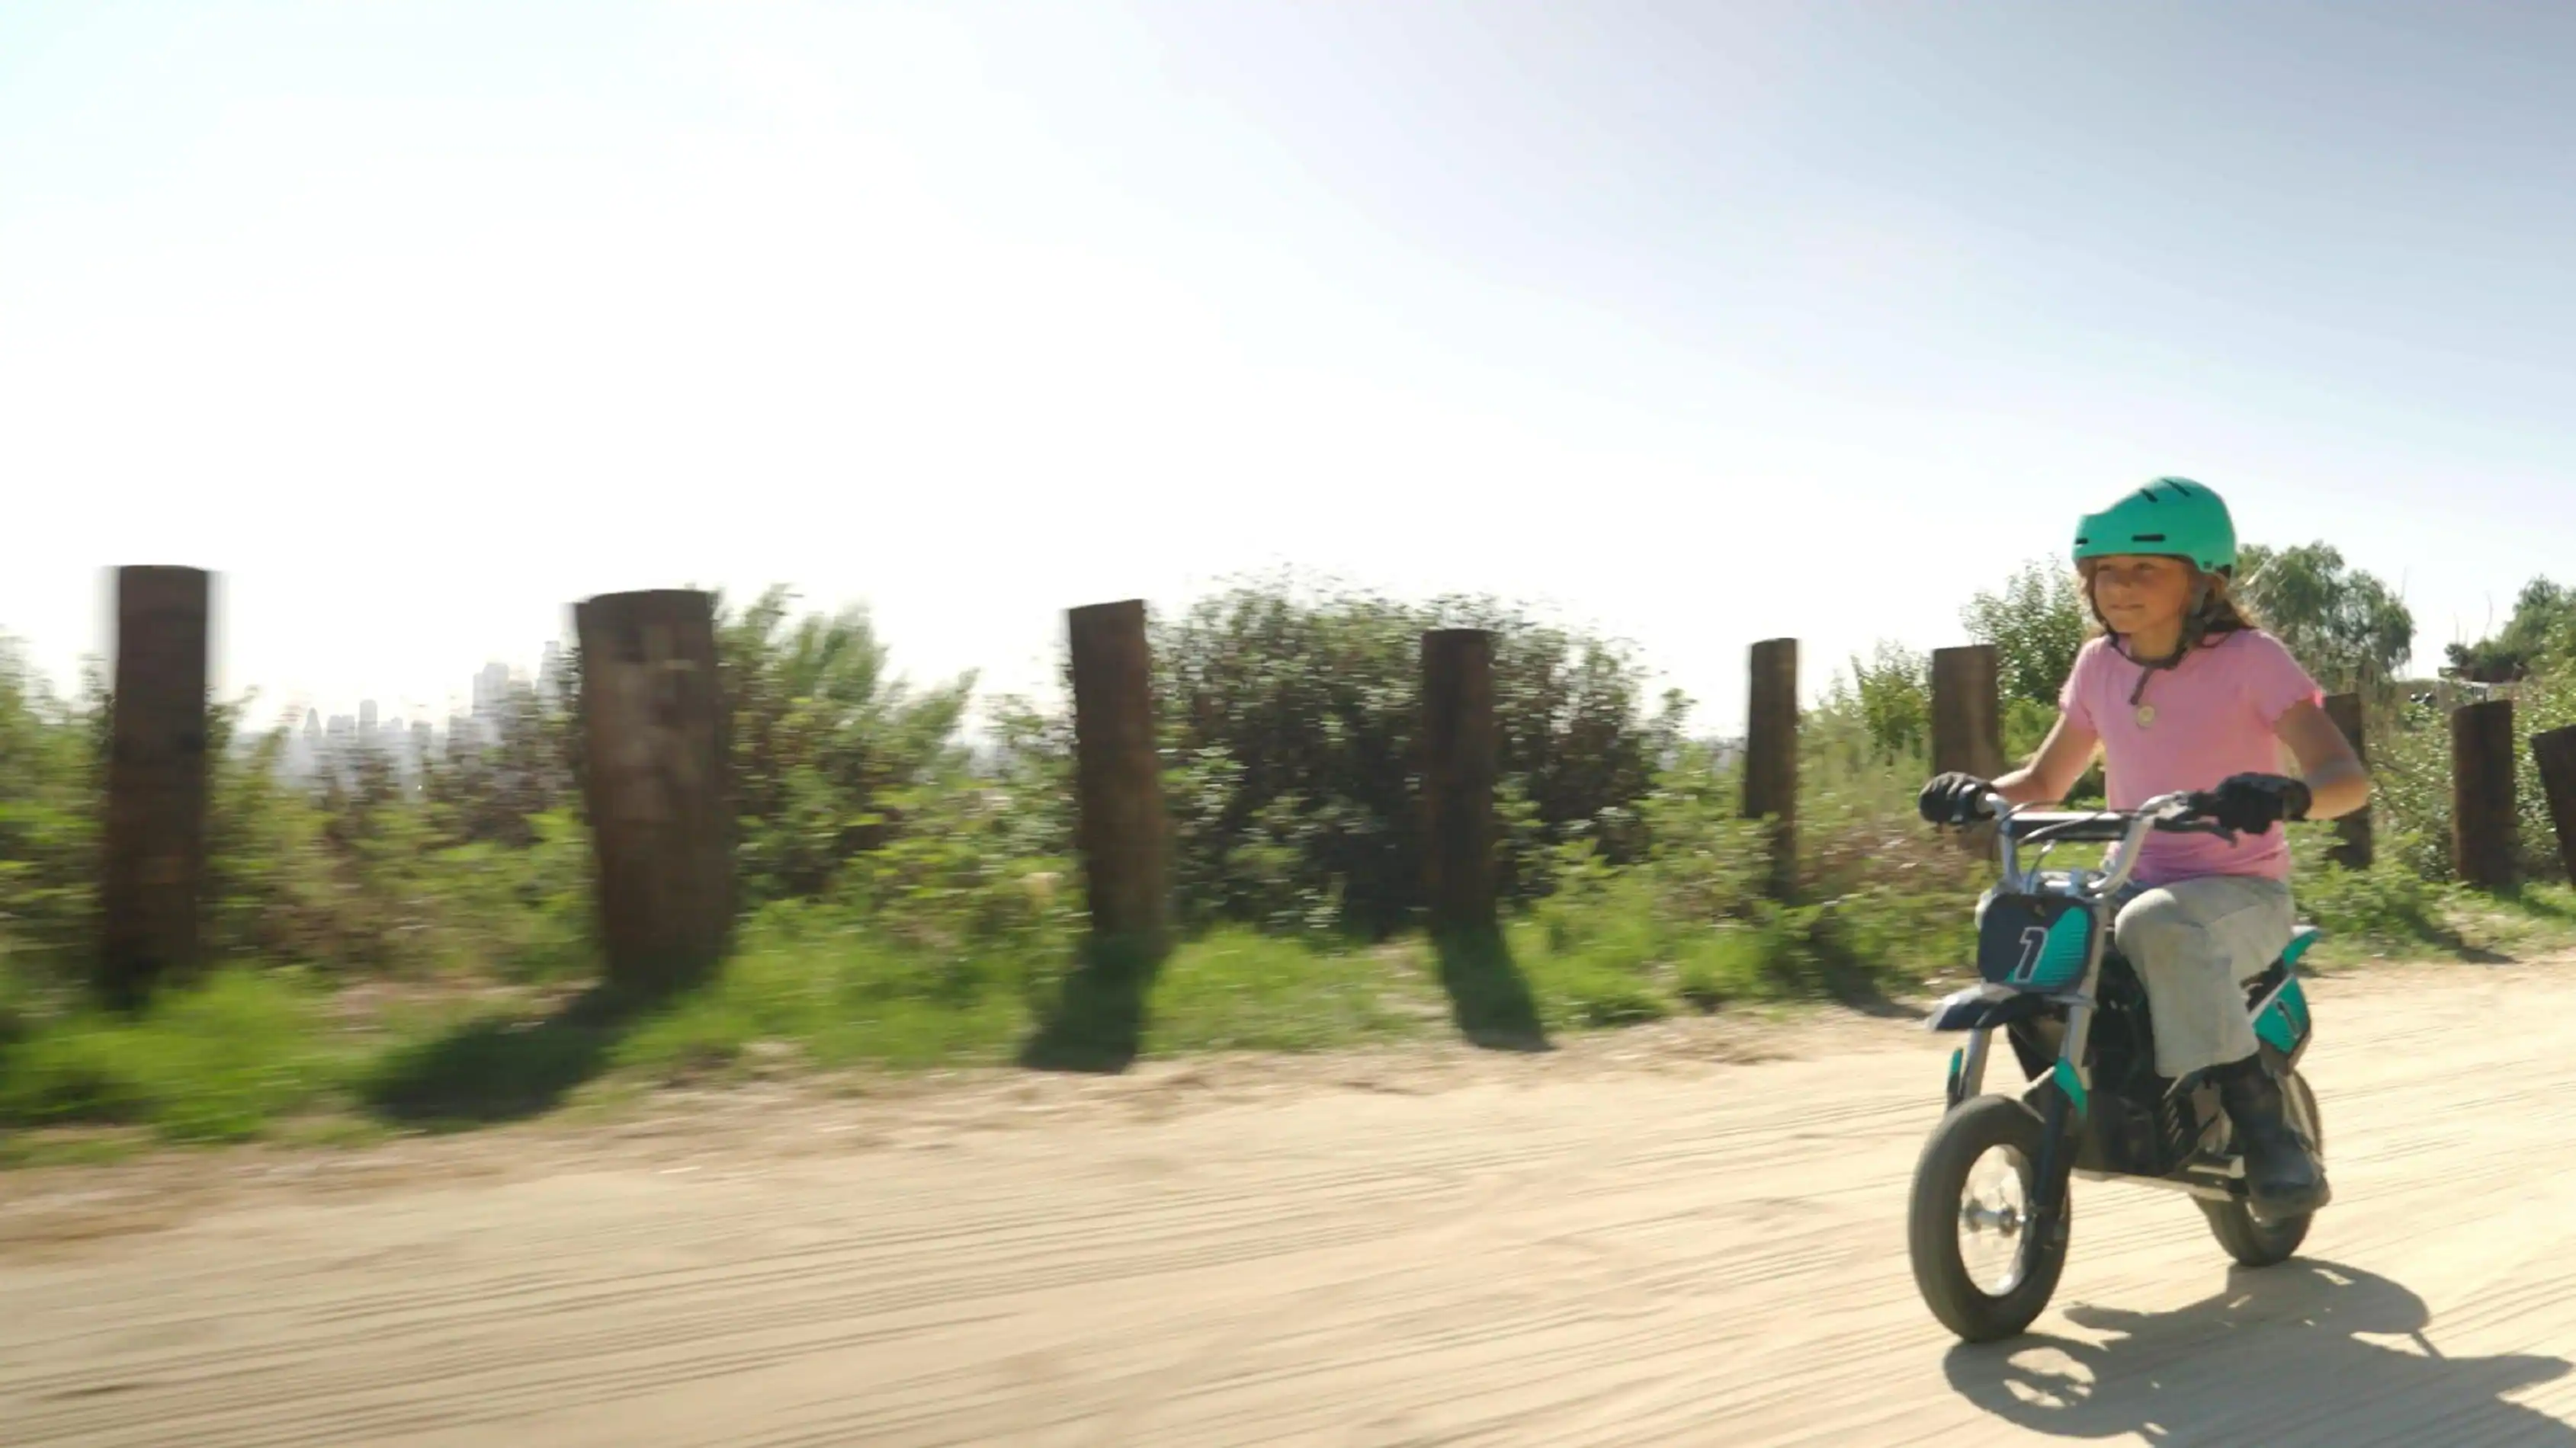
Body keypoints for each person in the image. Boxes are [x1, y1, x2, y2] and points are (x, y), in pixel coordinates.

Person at [1917, 477, 2369, 1219]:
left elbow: (2345, 780)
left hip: (2240, 894)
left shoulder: (2252, 659)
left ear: (2204, 580)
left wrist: (2287, 796)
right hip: (2129, 879)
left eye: (2144, 569)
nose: (2119, 586)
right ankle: (2078, 1085)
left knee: (2155, 922)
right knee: (2012, 907)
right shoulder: (2099, 665)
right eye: (2105, 570)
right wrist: (1976, 793)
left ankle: (2265, 1130)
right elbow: (2045, 781)